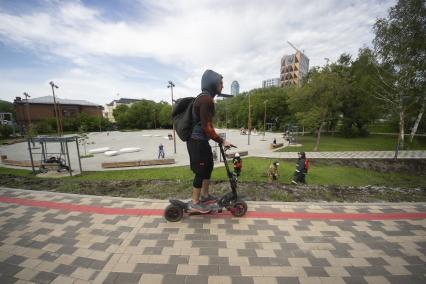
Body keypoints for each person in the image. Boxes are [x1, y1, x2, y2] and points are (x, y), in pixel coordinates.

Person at [187, 69, 231, 213]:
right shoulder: (205, 100)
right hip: (197, 141)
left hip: (202, 141)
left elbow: (207, 126)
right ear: (212, 83)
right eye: (220, 83)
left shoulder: (206, 98)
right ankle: (194, 203)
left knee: (208, 166)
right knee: (200, 171)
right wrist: (221, 140)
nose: (222, 86)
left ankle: (205, 196)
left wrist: (218, 139)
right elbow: (206, 126)